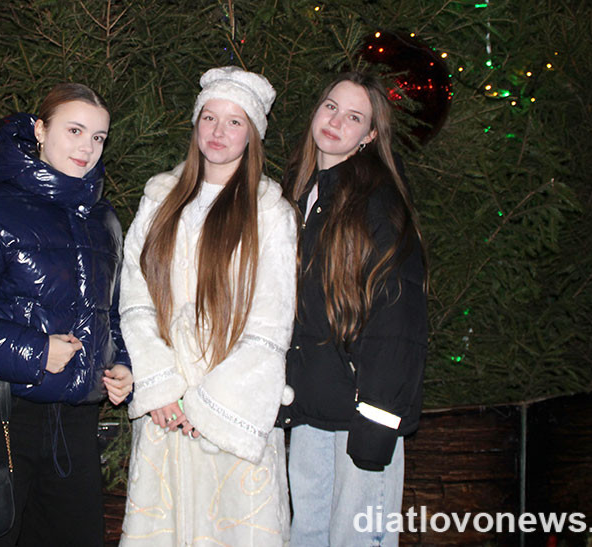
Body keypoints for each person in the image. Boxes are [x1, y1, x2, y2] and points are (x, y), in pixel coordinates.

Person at [0, 82, 133, 546]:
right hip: (1, 417)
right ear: (40, 130)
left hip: (75, 426)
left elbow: (112, 313)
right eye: (74, 130)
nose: (87, 147)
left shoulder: (103, 220)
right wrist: (35, 351)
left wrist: (119, 364)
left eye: (98, 137)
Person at [118, 66, 297, 546]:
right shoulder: (160, 198)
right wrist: (161, 386)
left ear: (253, 134)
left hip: (228, 412)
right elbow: (135, 293)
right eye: (209, 117)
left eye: (235, 121)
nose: (219, 131)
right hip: (166, 411)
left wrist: (208, 406)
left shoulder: (270, 213)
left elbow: (270, 322)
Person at [277, 71, 428, 547]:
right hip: (311, 409)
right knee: (307, 535)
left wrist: (378, 420)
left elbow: (398, 316)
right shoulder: (298, 193)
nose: (336, 121)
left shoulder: (379, 202)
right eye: (331, 107)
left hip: (362, 414)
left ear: (370, 135)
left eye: (354, 117)